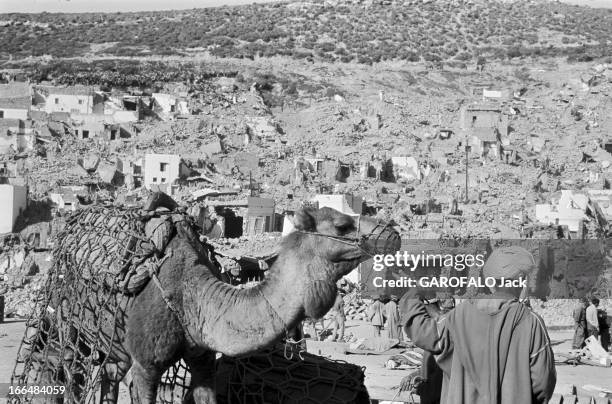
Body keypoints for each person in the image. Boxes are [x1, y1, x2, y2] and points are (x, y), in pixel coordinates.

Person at [400, 246, 556, 404]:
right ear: (522, 281)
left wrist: (413, 292)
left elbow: (424, 334)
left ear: (490, 282)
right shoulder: (531, 322)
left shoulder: (458, 315)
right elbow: (542, 382)